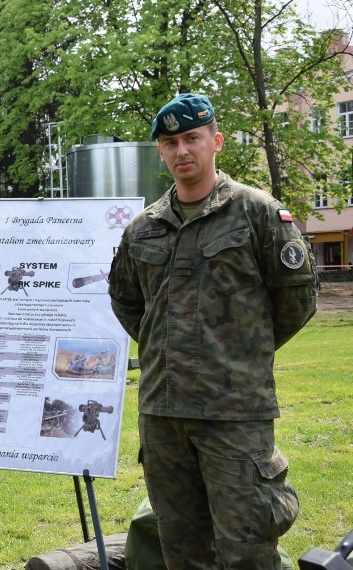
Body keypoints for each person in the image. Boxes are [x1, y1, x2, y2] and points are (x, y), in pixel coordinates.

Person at [108, 93, 318, 568]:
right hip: (163, 414)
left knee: (246, 547)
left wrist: (241, 351)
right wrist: (165, 346)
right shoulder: (143, 228)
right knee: (180, 549)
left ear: (215, 141)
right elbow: (124, 298)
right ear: (160, 153)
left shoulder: (257, 212)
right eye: (170, 142)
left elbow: (297, 297)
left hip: (234, 413)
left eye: (192, 138)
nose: (182, 150)